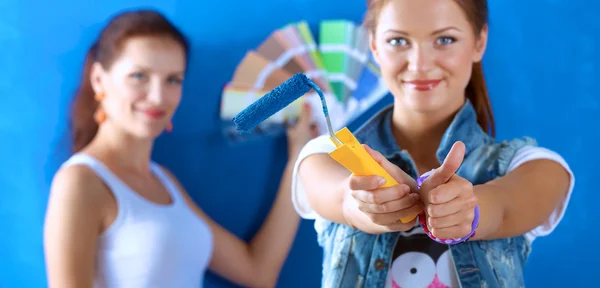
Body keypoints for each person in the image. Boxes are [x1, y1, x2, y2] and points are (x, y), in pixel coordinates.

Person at [292, 0, 574, 287]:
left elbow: (502, 209)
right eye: (398, 40)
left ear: (479, 42)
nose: (420, 64)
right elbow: (342, 199)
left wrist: (469, 211)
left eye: (444, 39)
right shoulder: (323, 157)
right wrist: (369, 205)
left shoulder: (537, 167)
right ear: (374, 46)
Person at [43, 9, 319, 288]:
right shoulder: (80, 182)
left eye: (172, 79)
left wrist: (299, 155)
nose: (158, 97)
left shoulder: (164, 182)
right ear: (99, 80)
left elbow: (258, 272)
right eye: (139, 76)